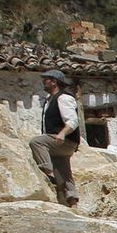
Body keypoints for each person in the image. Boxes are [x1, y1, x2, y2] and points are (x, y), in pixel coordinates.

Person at [29, 69, 81, 208]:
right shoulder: (51, 99)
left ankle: (48, 173)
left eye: (46, 79)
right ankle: (72, 202)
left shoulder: (63, 98)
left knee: (36, 142)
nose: (43, 82)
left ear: (54, 82)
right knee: (64, 172)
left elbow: (73, 121)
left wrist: (63, 133)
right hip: (59, 143)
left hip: (65, 141)